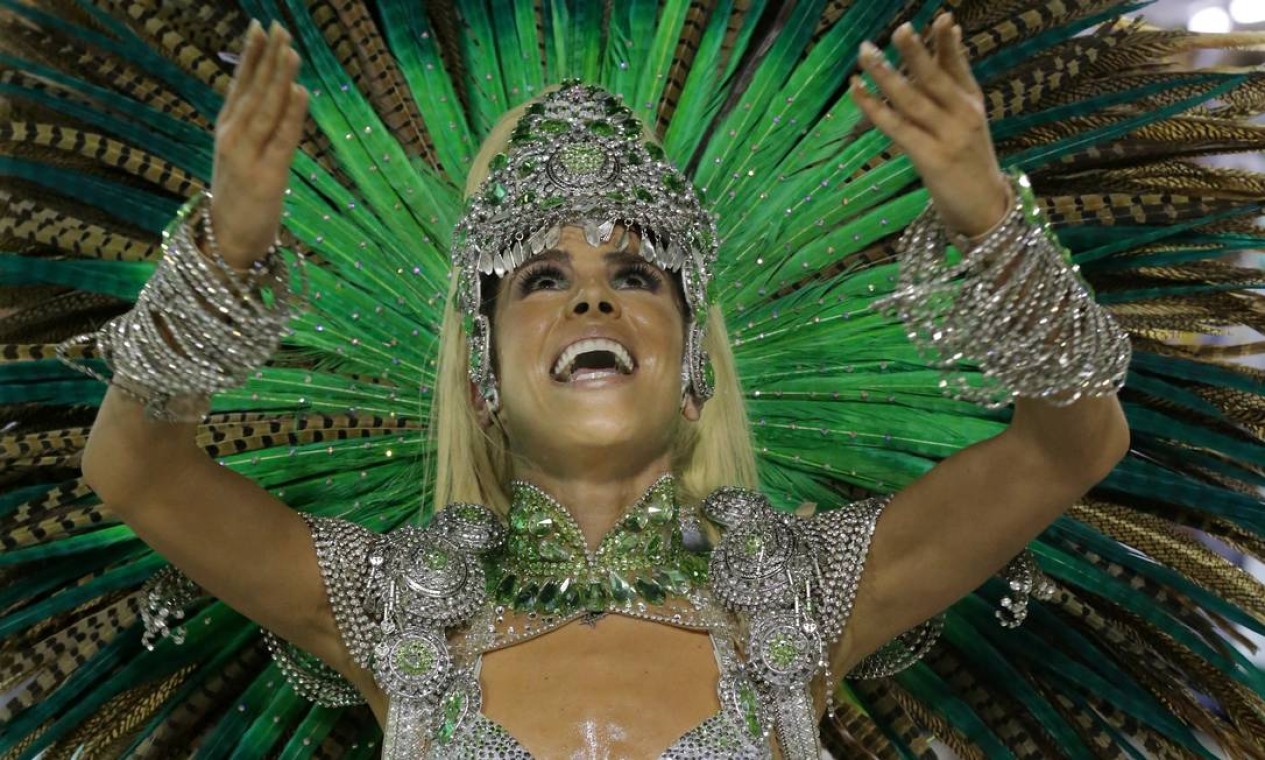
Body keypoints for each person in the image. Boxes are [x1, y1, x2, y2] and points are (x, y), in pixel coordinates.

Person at [1, 2, 1262, 759]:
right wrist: (222, 254)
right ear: (484, 372)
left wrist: (988, 216)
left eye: (638, 274)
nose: (596, 294)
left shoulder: (806, 592)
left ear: (695, 370)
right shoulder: (395, 606)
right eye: (541, 276)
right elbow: (134, 468)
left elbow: (1069, 446)